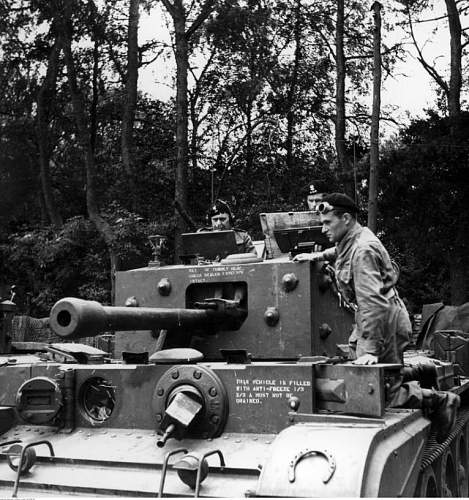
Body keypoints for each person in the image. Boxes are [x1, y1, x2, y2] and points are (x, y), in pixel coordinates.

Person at [293, 192, 460, 443]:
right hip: (375, 319)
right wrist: (318, 256)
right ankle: (416, 373)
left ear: (346, 218)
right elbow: (340, 251)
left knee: (377, 391)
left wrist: (370, 350)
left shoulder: (363, 250)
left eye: (328, 223)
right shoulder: (352, 239)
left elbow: (373, 303)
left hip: (383, 321)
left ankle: (440, 401)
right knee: (372, 378)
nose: (323, 228)